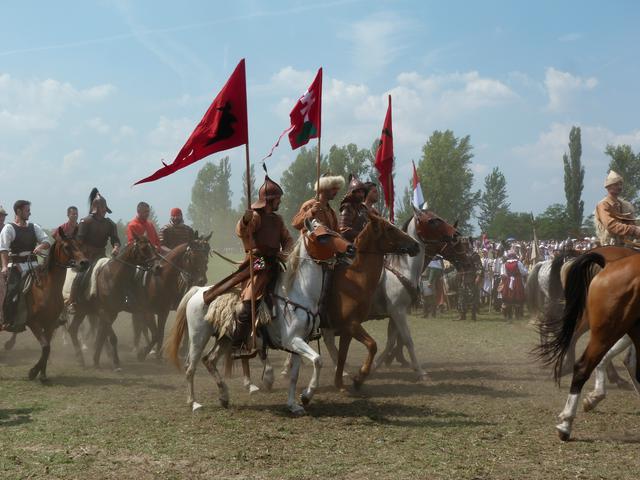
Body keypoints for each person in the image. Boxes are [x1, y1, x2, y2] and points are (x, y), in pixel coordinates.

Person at [203, 176, 294, 356]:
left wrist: (287, 252)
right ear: (270, 200)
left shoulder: (277, 219)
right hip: (257, 263)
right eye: (278, 199)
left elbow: (288, 239)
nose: (280, 202)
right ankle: (237, 345)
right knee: (248, 302)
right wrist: (244, 220)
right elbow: (242, 230)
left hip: (275, 263)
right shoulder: (255, 217)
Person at [0, 200, 50, 332]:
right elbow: (3, 249)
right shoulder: (9, 228)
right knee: (12, 292)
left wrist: (40, 246)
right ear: (18, 211)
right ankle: (8, 320)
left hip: (34, 265)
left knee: (49, 284)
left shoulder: (34, 227)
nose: (30, 212)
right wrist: (5, 266)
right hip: (16, 266)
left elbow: (46, 241)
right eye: (27, 210)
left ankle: (55, 315)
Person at [68, 189, 120, 312]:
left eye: (105, 209)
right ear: (96, 208)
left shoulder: (110, 224)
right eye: (102, 209)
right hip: (86, 257)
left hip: (102, 256)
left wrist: (116, 247)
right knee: (81, 275)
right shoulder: (85, 222)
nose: (104, 212)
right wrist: (81, 256)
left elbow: (115, 240)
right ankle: (72, 301)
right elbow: (78, 242)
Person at [594, 170, 640, 245]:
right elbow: (611, 225)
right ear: (608, 186)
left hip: (625, 244)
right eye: (616, 184)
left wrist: (637, 229)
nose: (619, 187)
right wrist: (634, 230)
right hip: (609, 245)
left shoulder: (625, 206)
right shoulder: (603, 205)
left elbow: (632, 223)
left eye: (620, 184)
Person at [338, 175, 370, 242]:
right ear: (352, 193)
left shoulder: (364, 209)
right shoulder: (348, 207)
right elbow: (343, 230)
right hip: (350, 245)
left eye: (362, 192)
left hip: (364, 244)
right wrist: (363, 235)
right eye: (358, 192)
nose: (361, 195)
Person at [500, 250, 528, 320]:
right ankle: (517, 315)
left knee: (509, 296)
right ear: (515, 256)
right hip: (517, 281)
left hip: (508, 280)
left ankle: (509, 315)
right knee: (517, 296)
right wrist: (526, 270)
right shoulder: (518, 263)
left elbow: (504, 274)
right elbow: (523, 272)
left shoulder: (505, 263)